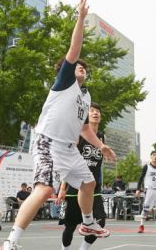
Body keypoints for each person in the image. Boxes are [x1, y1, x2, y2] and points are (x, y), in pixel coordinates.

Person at [0, 0, 116, 250]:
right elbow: (74, 50)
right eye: (77, 66)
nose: (81, 68)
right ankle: (11, 242)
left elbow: (84, 128)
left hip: (68, 149)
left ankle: (88, 223)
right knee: (42, 191)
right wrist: (81, 18)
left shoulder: (85, 97)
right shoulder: (65, 83)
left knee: (89, 183)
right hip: (47, 143)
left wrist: (100, 146)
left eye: (84, 67)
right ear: (66, 69)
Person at [57, 102, 107, 250]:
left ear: (101, 116)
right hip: (74, 186)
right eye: (91, 111)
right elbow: (68, 161)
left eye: (98, 111)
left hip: (93, 188)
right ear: (86, 115)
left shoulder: (102, 136)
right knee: (70, 226)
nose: (95, 113)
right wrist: (62, 187)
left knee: (100, 222)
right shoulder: (78, 134)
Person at [136, 150, 156, 233]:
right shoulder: (146, 166)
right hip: (149, 189)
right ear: (151, 157)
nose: (155, 157)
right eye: (153, 155)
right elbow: (140, 178)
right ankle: (141, 225)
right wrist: (138, 189)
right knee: (146, 208)